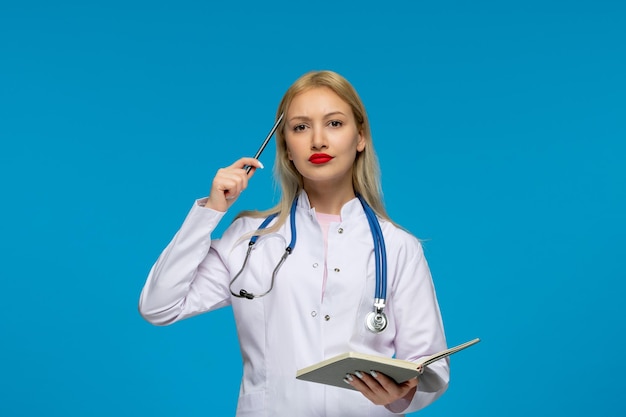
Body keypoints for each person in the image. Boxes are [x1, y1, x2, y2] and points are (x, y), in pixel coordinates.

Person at [138, 70, 449, 416]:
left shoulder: (398, 246)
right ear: (286, 148)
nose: (318, 140)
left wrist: (397, 394)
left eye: (334, 124)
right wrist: (211, 211)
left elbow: (430, 364)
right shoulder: (248, 239)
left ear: (360, 137)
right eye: (301, 127)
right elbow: (158, 306)